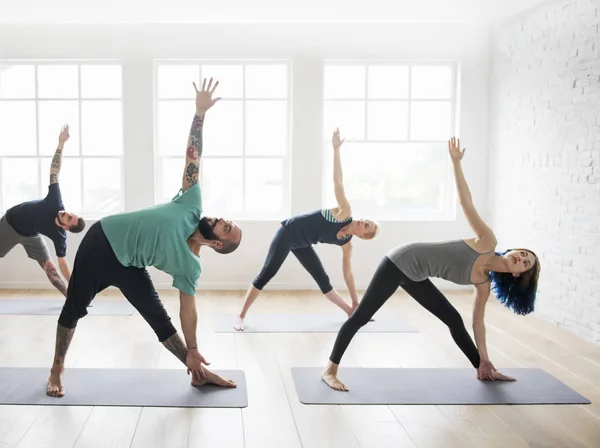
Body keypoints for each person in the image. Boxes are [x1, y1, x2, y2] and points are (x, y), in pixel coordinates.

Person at [46, 78, 242, 397]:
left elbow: (187, 310)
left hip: (130, 265)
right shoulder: (192, 203)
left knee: (160, 320)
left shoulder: (190, 267)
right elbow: (193, 158)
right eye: (226, 220)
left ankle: (198, 369)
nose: (222, 219)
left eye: (225, 228)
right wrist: (200, 113)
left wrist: (193, 347)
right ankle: (56, 368)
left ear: (218, 244)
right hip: (102, 243)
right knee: (73, 308)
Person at [321, 137, 541, 391]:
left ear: (517, 274)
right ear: (513, 250)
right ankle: (330, 371)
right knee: (362, 316)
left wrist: (485, 359)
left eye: (526, 263)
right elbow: (466, 202)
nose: (522, 258)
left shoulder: (483, 284)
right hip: (401, 260)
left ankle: (482, 370)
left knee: (453, 319)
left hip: (417, 274)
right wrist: (456, 162)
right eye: (523, 253)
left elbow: (477, 324)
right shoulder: (487, 240)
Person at [234, 128, 380, 331]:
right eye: (365, 220)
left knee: (324, 281)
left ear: (363, 235)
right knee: (266, 274)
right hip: (288, 232)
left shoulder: (347, 245)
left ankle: (350, 311)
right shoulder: (344, 212)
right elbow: (338, 181)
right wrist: (336, 150)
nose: (362, 222)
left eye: (366, 226)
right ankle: (240, 316)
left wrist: (356, 301)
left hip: (302, 243)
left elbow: (348, 274)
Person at [0, 125, 85, 297]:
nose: (65, 213)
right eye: (69, 213)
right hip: (10, 223)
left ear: (66, 228)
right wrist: (61, 143)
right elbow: (54, 171)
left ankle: (71, 298)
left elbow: (62, 264)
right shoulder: (56, 201)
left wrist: (75, 287)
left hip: (31, 235)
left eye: (68, 218)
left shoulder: (60, 236)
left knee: (51, 269)